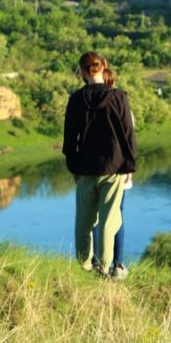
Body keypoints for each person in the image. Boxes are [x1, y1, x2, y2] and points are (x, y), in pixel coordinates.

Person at [62, 51, 137, 277]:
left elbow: (69, 139)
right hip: (114, 167)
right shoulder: (119, 97)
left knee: (84, 221)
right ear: (103, 67)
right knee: (109, 220)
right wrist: (129, 166)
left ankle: (84, 265)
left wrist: (74, 167)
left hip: (85, 168)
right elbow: (128, 135)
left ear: (82, 72)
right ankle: (105, 267)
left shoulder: (76, 99)